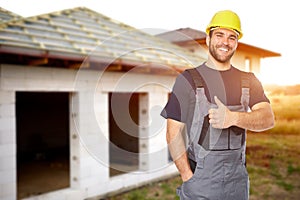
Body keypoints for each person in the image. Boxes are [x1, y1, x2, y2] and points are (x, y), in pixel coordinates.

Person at [161, 10, 275, 200]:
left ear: (236, 43)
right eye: (219, 35)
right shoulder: (188, 79)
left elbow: (268, 118)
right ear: (208, 38)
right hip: (200, 183)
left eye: (232, 37)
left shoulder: (248, 80)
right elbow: (173, 133)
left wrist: (233, 117)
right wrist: (187, 176)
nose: (225, 42)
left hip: (237, 182)